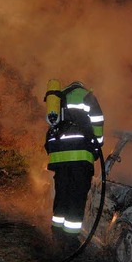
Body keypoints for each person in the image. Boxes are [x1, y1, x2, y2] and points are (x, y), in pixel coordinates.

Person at [44, 80, 104, 251]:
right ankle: (70, 241)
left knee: (62, 195)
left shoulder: (57, 98)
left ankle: (57, 235)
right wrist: (97, 145)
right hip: (79, 157)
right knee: (76, 198)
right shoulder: (86, 95)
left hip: (59, 158)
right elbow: (98, 121)